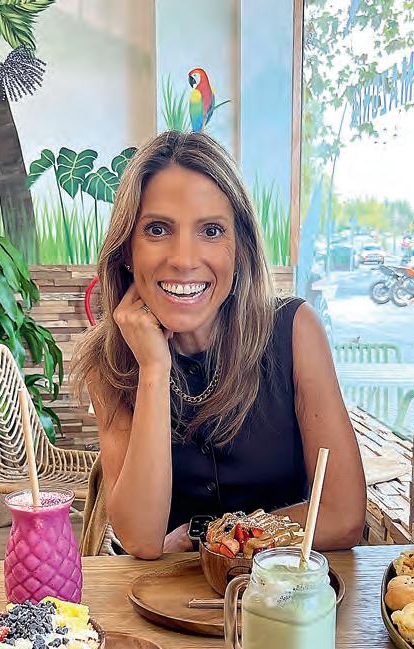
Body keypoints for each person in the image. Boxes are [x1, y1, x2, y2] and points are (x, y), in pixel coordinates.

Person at [74, 131, 366, 559]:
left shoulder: (295, 331)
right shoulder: (109, 361)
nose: (184, 259)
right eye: (157, 229)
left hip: (283, 588)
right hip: (167, 595)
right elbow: (142, 539)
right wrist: (154, 371)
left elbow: (343, 516)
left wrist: (210, 538)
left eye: (211, 231)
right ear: (126, 253)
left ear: (240, 249)